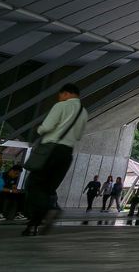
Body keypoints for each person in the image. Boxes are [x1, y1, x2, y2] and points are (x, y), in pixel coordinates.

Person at [25, 83, 88, 236]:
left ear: (66, 93)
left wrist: (38, 130)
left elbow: (47, 127)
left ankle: (50, 210)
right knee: (48, 188)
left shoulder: (61, 106)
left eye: (60, 95)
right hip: (67, 153)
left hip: (51, 150)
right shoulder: (84, 112)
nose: (59, 98)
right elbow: (79, 136)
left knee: (34, 184)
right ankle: (33, 226)